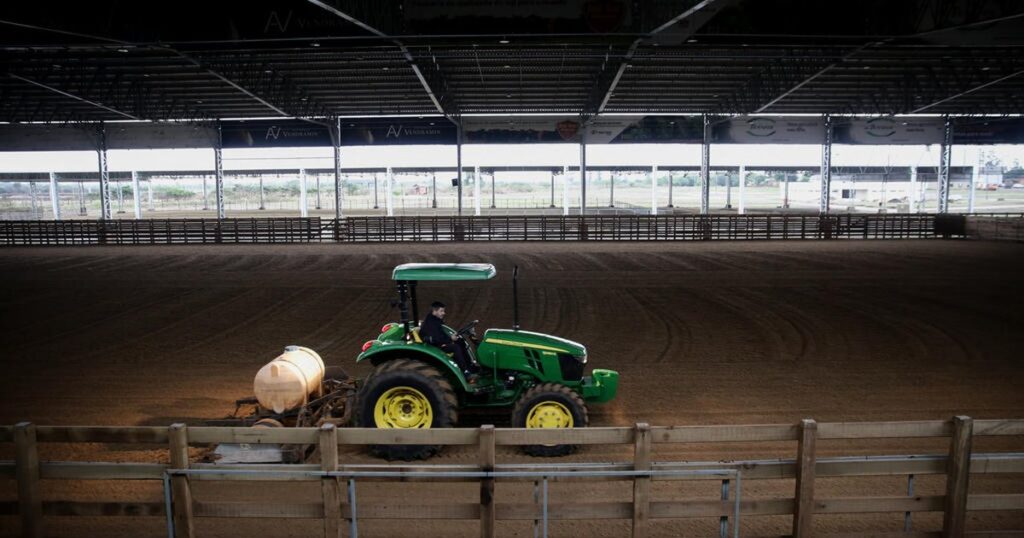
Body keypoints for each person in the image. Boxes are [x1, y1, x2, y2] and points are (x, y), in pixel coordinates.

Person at [419, 301, 478, 378]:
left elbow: (440, 334)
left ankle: (470, 366)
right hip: (434, 346)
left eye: (443, 311)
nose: (444, 313)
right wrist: (450, 339)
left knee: (460, 341)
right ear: (434, 311)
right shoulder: (430, 323)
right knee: (455, 347)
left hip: (438, 342)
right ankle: (465, 371)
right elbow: (436, 339)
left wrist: (451, 338)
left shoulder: (435, 320)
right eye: (441, 311)